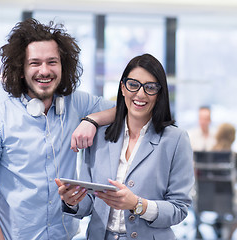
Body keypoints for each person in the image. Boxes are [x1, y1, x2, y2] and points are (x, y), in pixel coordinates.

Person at [0, 18, 115, 240]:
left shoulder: (76, 104)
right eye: (35, 63)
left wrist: (92, 120)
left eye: (52, 62)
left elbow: (125, 110)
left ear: (62, 66)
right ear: (21, 69)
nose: (44, 71)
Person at [56, 53, 195, 240]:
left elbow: (179, 209)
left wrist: (138, 204)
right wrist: (72, 201)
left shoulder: (176, 140)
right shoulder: (100, 136)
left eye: (150, 87)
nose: (140, 94)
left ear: (160, 93)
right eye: (133, 85)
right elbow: (90, 202)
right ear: (123, 88)